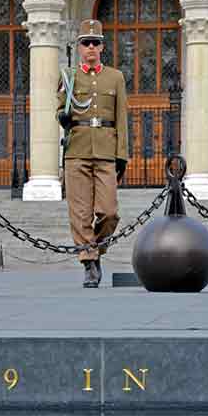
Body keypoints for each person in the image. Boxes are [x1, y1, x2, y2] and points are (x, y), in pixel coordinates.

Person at [57, 20, 129, 288]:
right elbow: (59, 109)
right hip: (77, 150)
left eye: (95, 43)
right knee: (80, 213)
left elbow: (121, 117)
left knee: (109, 213)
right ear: (79, 47)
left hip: (106, 150)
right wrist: (62, 117)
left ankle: (94, 249)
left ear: (102, 47)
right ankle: (89, 263)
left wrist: (122, 155)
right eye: (85, 43)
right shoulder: (68, 76)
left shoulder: (115, 77)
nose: (90, 48)